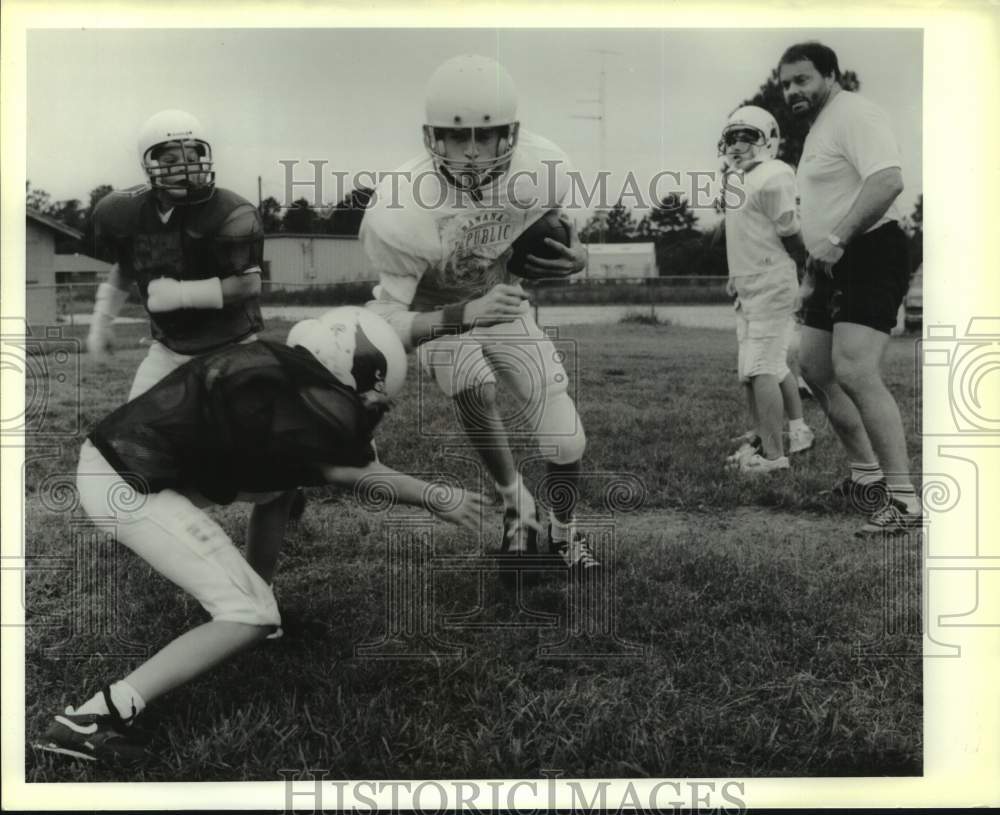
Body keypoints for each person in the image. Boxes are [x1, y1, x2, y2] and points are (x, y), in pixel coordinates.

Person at [34, 308, 487, 765]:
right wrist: (436, 496)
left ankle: (258, 604)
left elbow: (281, 489)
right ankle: (93, 717)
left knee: (276, 507)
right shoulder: (288, 390)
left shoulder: (278, 374)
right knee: (249, 614)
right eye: (367, 399)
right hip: (127, 486)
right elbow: (346, 471)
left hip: (124, 470)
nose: (365, 412)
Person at [362, 55, 598, 572]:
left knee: (565, 434)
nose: (470, 151)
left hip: (504, 301)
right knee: (471, 382)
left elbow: (566, 231)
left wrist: (580, 256)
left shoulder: (543, 167)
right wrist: (463, 313)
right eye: (454, 135)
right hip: (439, 308)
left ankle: (564, 532)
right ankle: (517, 509)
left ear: (510, 135)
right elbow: (386, 323)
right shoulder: (401, 206)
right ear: (433, 137)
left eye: (484, 136)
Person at [83, 109, 305, 544]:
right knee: (131, 451)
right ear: (149, 164)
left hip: (231, 349)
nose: (184, 165)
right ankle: (145, 527)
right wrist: (101, 320)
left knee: (267, 463)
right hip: (167, 351)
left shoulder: (230, 211)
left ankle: (283, 495)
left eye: (193, 153)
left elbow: (247, 284)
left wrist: (183, 294)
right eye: (171, 157)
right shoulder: (126, 213)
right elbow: (125, 270)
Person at [778, 42, 920, 534]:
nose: (792, 90)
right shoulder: (820, 127)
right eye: (786, 83)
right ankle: (867, 478)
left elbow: (887, 181)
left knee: (856, 370)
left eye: (802, 79)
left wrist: (837, 239)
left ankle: (904, 502)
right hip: (831, 264)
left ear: (830, 75)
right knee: (814, 366)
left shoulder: (854, 113)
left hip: (871, 251)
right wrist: (816, 266)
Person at [717, 106, 815, 474]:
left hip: (771, 283)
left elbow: (790, 232)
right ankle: (773, 436)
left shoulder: (775, 174)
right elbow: (744, 237)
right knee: (753, 369)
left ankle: (773, 456)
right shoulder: (738, 180)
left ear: (768, 140)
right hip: (749, 285)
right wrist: (736, 275)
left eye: (748, 136)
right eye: (732, 137)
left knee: (762, 367)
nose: (738, 144)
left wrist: (806, 275)